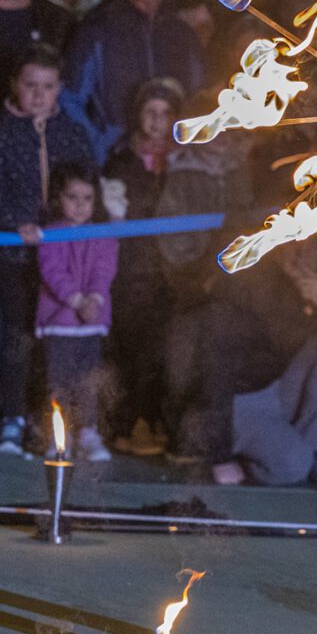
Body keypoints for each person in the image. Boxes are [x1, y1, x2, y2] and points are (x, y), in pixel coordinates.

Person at [0, 48, 94, 455]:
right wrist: (16, 223)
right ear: (14, 85)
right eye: (30, 85)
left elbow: (88, 182)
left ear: (59, 90)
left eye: (47, 87)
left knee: (58, 341)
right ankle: (10, 416)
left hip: (64, 257)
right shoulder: (0, 134)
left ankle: (47, 418)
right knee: (16, 336)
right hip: (16, 255)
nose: (38, 94)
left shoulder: (72, 132)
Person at [62, 0, 202, 155]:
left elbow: (198, 97)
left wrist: (182, 143)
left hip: (175, 163)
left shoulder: (184, 36)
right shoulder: (97, 30)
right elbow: (69, 101)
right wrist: (105, 145)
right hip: (114, 163)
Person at [102, 76, 181, 453]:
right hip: (131, 271)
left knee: (162, 353)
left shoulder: (183, 162)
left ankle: (151, 421)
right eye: (150, 112)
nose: (157, 121)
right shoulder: (121, 162)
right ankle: (124, 424)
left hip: (172, 272)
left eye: (165, 113)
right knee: (129, 352)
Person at [35, 162, 117, 461]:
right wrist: (76, 300)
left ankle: (89, 432)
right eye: (72, 197)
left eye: (87, 199)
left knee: (89, 380)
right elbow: (52, 270)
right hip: (59, 323)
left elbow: (104, 269)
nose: (80, 205)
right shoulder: (50, 233)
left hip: (91, 324)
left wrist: (94, 300)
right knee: (58, 382)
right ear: (59, 198)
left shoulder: (103, 233)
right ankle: (60, 435)